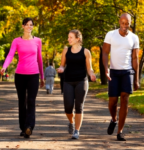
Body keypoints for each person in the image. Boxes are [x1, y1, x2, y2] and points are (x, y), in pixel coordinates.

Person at [0, 18, 44, 138]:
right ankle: (23, 127)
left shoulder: (38, 41)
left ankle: (29, 127)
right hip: (20, 75)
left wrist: (42, 77)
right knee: (22, 101)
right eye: (27, 25)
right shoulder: (16, 41)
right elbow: (10, 55)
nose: (30, 27)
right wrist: (4, 66)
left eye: (32, 25)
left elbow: (39, 59)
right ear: (23, 26)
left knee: (31, 101)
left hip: (33, 75)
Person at [102, 13, 139, 141]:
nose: (124, 26)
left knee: (125, 99)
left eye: (127, 23)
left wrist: (137, 79)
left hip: (127, 72)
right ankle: (114, 119)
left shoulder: (134, 38)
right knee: (112, 102)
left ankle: (120, 132)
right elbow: (105, 53)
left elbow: (135, 58)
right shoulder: (111, 34)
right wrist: (106, 70)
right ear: (119, 22)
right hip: (113, 72)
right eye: (122, 23)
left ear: (129, 23)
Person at [57, 29, 96, 139]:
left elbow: (89, 68)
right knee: (68, 107)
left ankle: (77, 131)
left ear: (77, 39)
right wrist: (60, 68)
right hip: (68, 81)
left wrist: (92, 75)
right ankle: (71, 121)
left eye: (71, 37)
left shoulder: (86, 52)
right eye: (68, 37)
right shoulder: (66, 51)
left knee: (79, 106)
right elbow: (62, 65)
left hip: (81, 81)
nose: (68, 39)